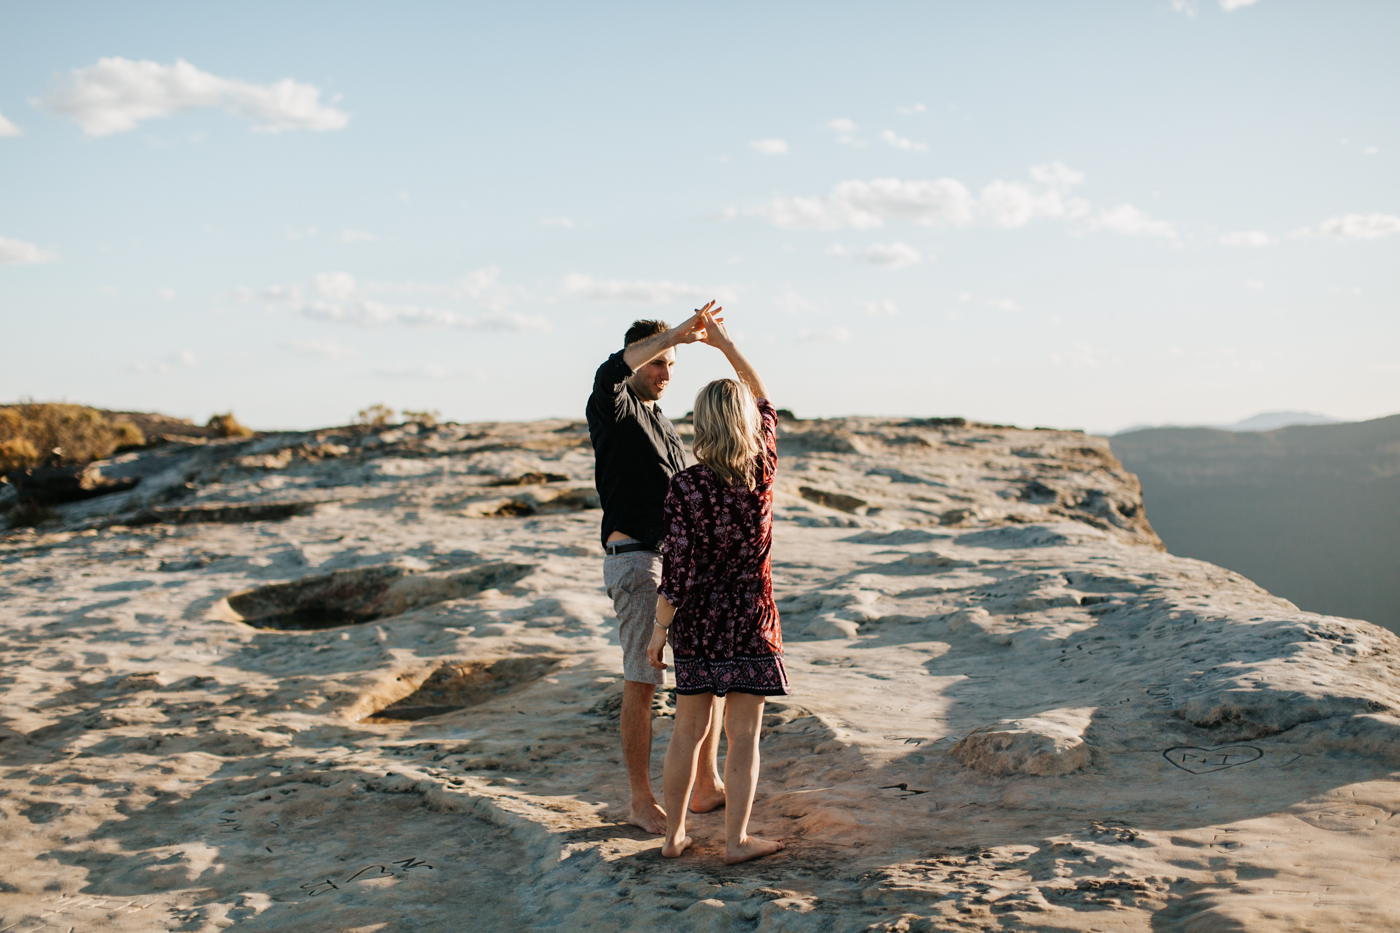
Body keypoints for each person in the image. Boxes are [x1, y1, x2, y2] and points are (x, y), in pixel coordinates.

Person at [647, 308, 788, 864]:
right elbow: (764, 395)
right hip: (751, 619)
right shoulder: (761, 471)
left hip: (699, 622)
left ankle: (674, 835)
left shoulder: (685, 487)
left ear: (701, 424)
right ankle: (735, 841)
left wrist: (659, 635)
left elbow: (677, 571)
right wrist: (724, 344)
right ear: (747, 424)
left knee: (687, 731)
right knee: (744, 736)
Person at [586, 303, 728, 835]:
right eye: (658, 364)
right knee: (642, 680)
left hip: (676, 563)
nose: (667, 374)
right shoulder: (614, 405)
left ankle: (707, 786)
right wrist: (677, 335)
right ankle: (641, 800)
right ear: (638, 361)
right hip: (636, 561)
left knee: (703, 674)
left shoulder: (661, 419)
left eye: (672, 365)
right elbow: (611, 370)